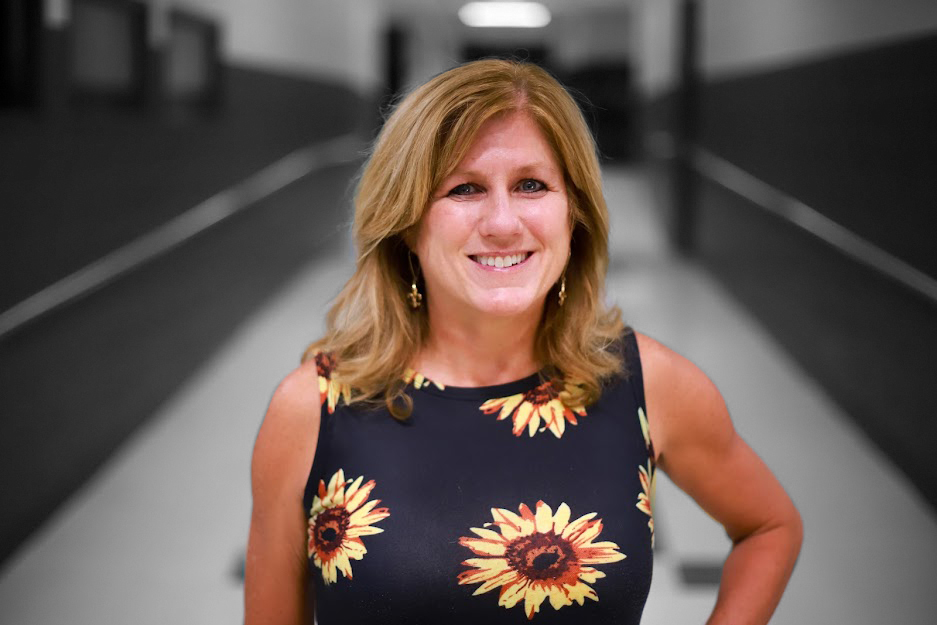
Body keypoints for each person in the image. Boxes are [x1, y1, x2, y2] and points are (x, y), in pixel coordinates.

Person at [244, 59, 802, 624]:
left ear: (573, 212)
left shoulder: (647, 385)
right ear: (407, 223)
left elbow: (770, 526)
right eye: (464, 189)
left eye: (531, 185)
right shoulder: (313, 409)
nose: (503, 222)